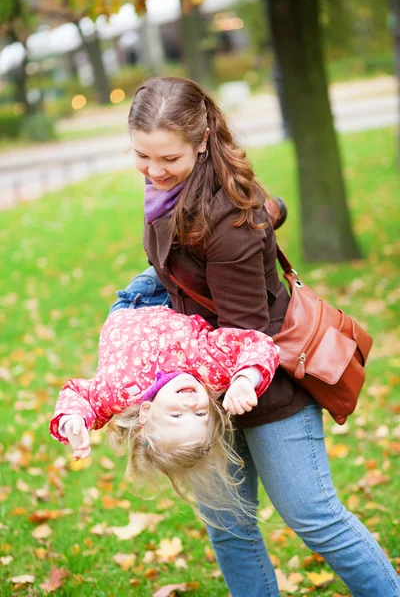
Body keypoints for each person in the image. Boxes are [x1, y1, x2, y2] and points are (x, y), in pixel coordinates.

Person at [110, 76, 400, 597]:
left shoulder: (228, 219)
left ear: (201, 141)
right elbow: (176, 274)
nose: (154, 171)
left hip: (266, 386)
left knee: (314, 517)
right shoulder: (165, 195)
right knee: (229, 526)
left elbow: (249, 336)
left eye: (168, 159)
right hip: (205, 389)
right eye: (142, 156)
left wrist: (197, 385)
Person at [49, 304, 280, 511]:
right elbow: (259, 344)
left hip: (132, 303)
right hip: (165, 296)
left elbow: (80, 395)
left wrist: (73, 420)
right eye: (201, 414)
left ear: (146, 412)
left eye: (176, 415)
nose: (191, 404)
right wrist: (244, 379)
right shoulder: (210, 368)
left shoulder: (119, 392)